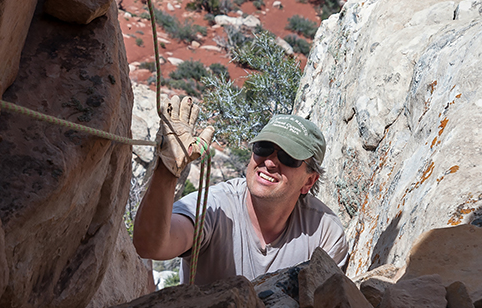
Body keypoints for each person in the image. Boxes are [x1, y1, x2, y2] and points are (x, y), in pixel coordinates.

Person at [132, 95, 347, 285]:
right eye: (263, 148)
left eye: (287, 157)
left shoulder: (324, 234)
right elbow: (149, 246)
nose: (270, 163)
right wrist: (167, 170)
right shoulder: (217, 207)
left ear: (309, 181)